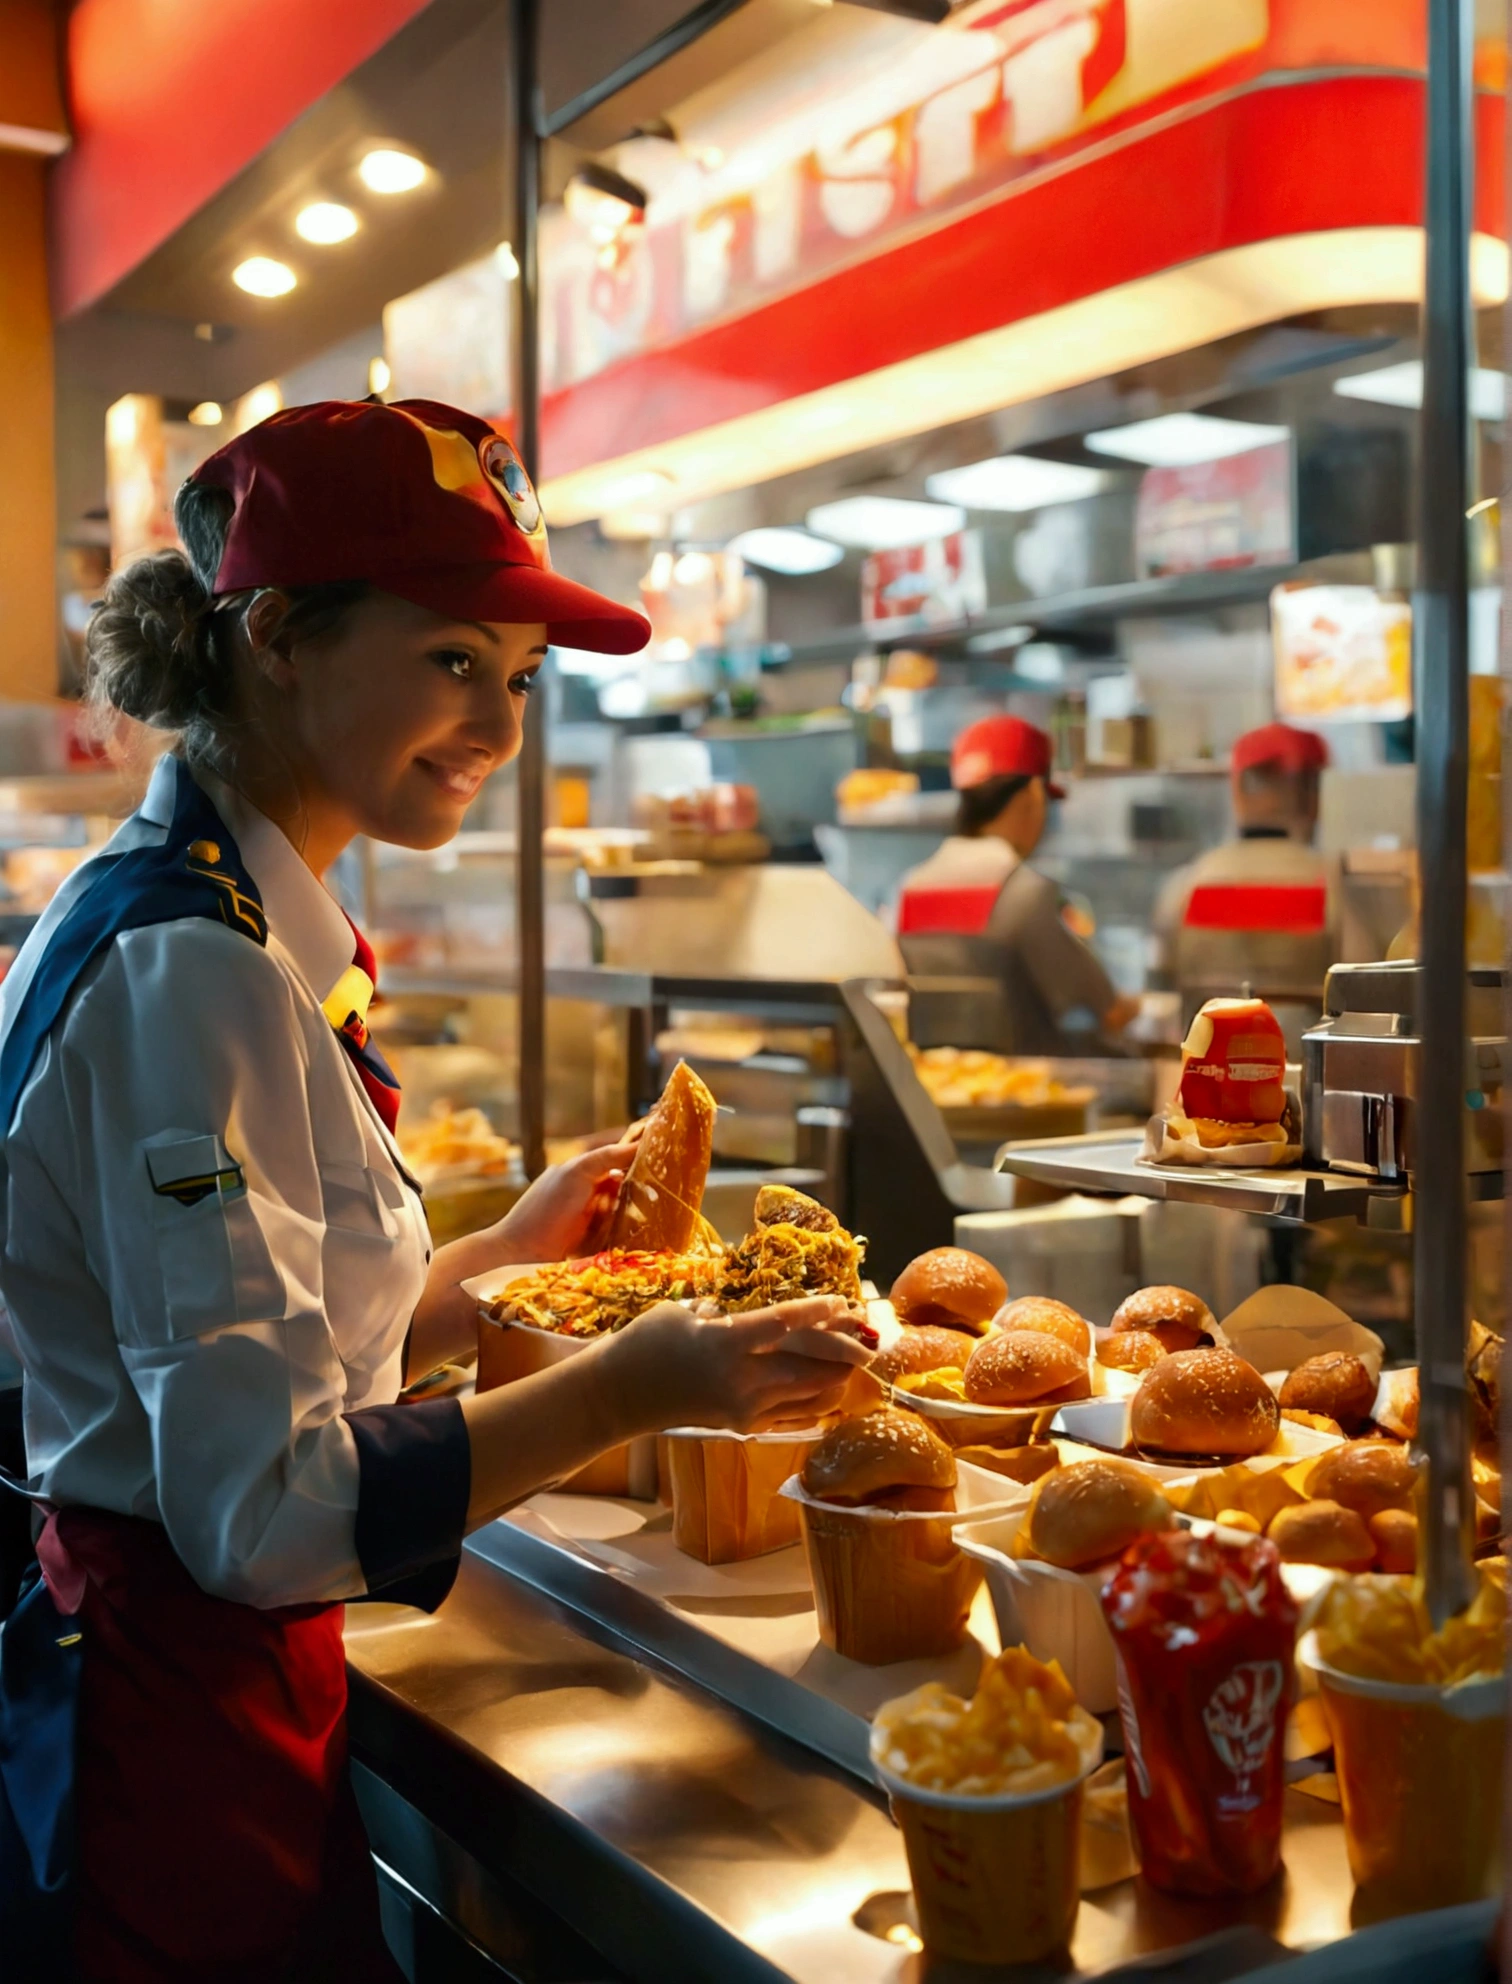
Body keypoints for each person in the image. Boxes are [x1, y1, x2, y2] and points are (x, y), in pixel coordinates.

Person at [0, 399, 865, 1981]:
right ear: (274, 634)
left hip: (222, 1692)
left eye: (519, 678)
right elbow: (260, 1512)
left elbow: (269, 1347)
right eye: (454, 662)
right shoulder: (190, 970)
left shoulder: (211, 922)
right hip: (173, 1723)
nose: (501, 727)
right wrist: (630, 1381)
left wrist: (497, 1266)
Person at [895, 714, 1138, 1054]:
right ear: (1034, 794)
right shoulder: (1025, 892)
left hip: (937, 1089)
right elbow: (1109, 1013)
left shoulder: (909, 891)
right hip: (1025, 1096)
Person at [1152, 721, 1336, 1047]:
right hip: (1300, 1079)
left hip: (1206, 1078)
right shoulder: (1333, 885)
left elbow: (1163, 984)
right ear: (1310, 795)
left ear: (1236, 788)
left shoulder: (1187, 886)